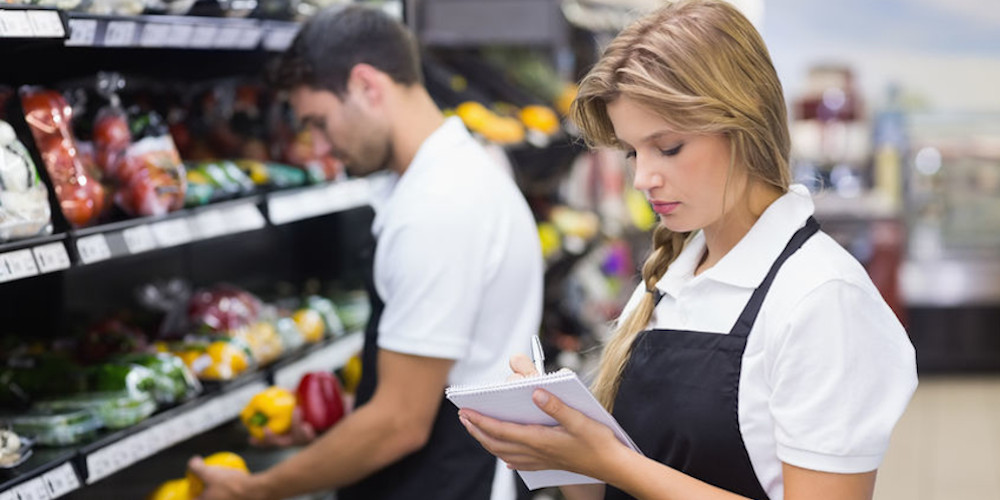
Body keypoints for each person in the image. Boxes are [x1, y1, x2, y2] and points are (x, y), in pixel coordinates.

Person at [458, 1, 918, 499]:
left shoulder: (821, 298)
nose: (642, 179)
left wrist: (610, 460)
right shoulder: (669, 279)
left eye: (669, 147)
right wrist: (556, 443)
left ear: (743, 126)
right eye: (633, 152)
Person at [187, 6, 543, 500]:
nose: (319, 146)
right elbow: (436, 380)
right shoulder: (458, 174)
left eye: (319, 121)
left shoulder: (438, 206)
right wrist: (334, 421)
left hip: (449, 482)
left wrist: (256, 489)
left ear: (367, 86)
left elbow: (400, 422)